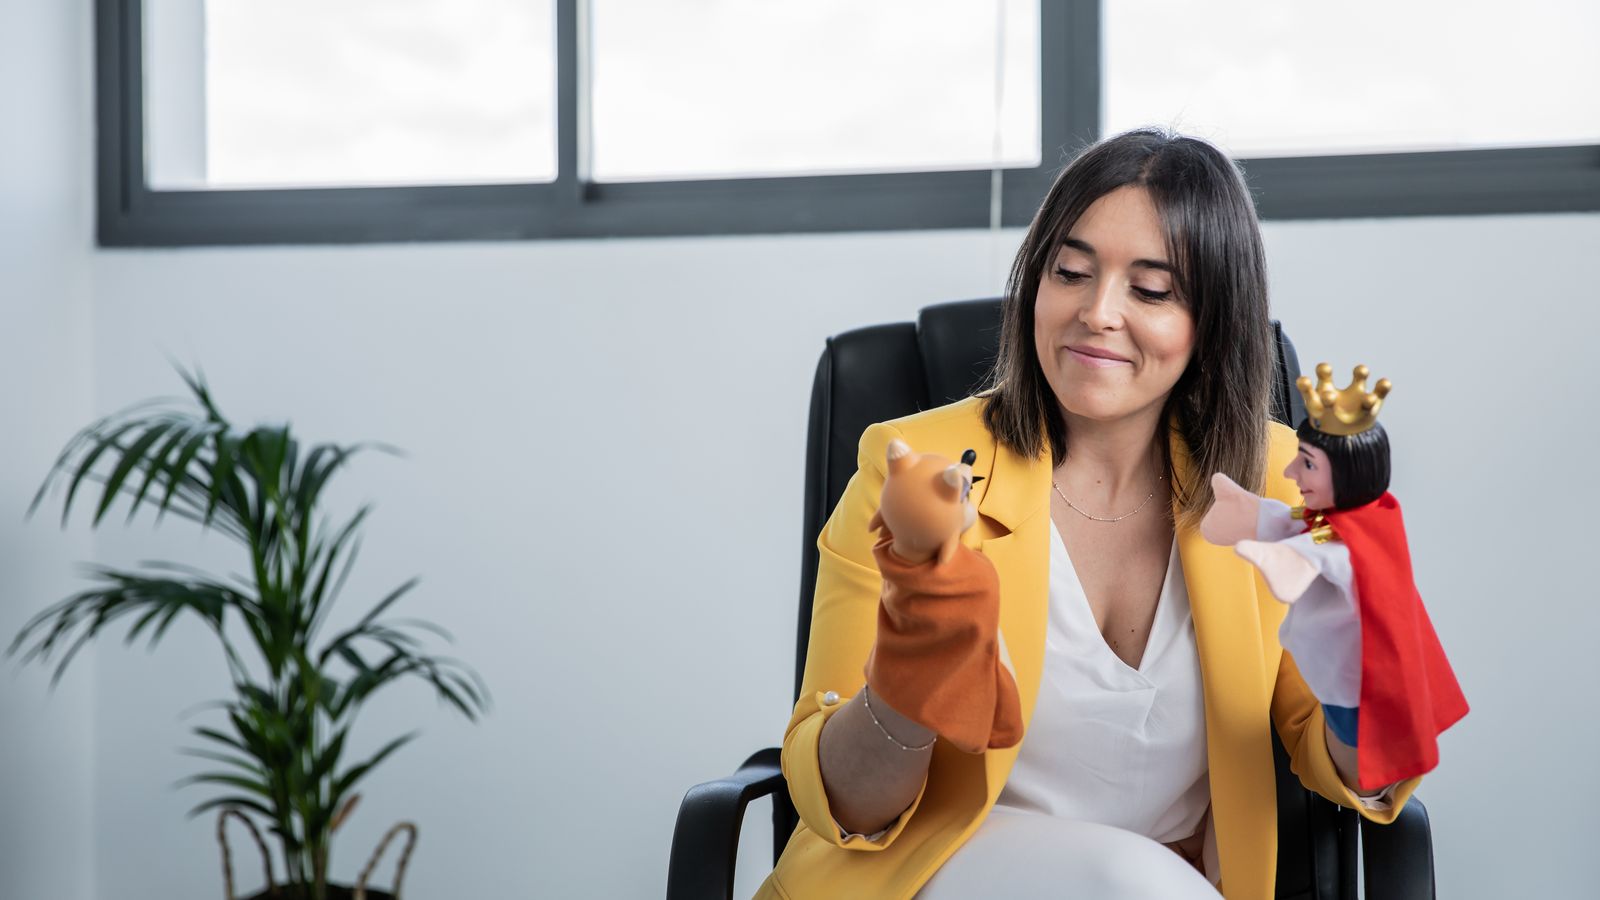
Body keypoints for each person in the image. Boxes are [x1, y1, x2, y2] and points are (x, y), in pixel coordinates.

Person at [753, 129, 1423, 900]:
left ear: (1213, 320)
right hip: (937, 875)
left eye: (1152, 289)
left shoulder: (1277, 483)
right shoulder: (916, 471)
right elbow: (839, 804)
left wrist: (1359, 665)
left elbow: (1350, 766)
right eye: (1070, 272)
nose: (1096, 312)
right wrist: (909, 686)